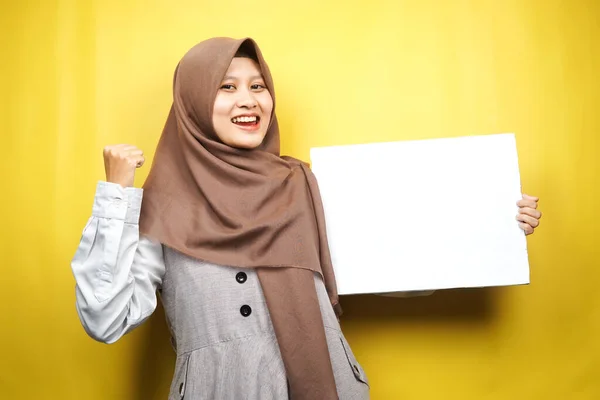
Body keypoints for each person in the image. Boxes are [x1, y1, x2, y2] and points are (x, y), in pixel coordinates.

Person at [71, 37, 542, 400]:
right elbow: (106, 319)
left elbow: (391, 261)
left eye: (258, 86)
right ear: (193, 102)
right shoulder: (161, 207)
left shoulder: (304, 185)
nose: (249, 100)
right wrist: (115, 196)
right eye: (227, 87)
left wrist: (493, 222)